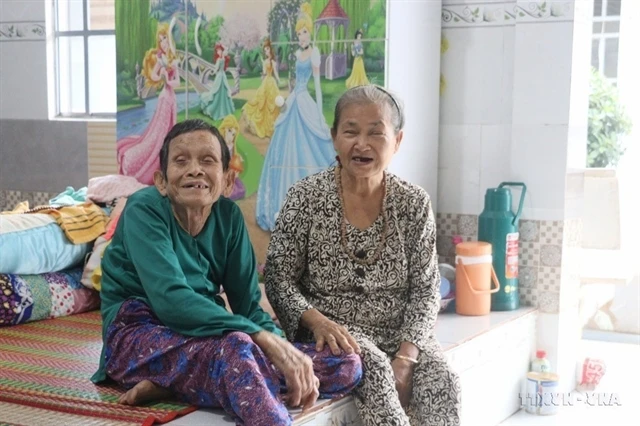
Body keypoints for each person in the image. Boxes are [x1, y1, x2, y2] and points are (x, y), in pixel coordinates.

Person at [92, 119, 362, 426]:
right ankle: (211, 384)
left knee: (346, 364)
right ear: (162, 181)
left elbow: (248, 306)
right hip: (136, 332)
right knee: (238, 348)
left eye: (207, 161)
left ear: (227, 180)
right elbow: (171, 299)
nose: (194, 169)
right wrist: (260, 338)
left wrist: (282, 349)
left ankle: (176, 384)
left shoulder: (229, 217)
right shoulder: (145, 209)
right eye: (181, 161)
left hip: (204, 335)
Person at [265, 86, 461, 426]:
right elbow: (279, 279)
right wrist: (317, 321)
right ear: (334, 137)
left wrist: (407, 355)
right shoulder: (305, 198)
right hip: (336, 334)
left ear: (397, 141)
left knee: (444, 381)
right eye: (351, 131)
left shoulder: (413, 203)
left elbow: (427, 289)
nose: (362, 144)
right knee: (376, 376)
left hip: (401, 331)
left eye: (376, 133)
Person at [255, 2, 336, 232]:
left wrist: (319, 116)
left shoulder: (315, 53)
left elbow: (317, 86)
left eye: (304, 32)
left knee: (309, 146)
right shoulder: (297, 53)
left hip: (305, 101)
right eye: (299, 32)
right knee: (284, 146)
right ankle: (283, 206)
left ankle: (313, 210)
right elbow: (294, 83)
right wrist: (286, 100)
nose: (301, 36)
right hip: (294, 99)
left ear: (310, 32)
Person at [117, 22, 180, 185]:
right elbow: (153, 75)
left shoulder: (174, 59)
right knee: (160, 133)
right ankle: (153, 163)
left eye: (165, 39)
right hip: (164, 97)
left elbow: (177, 82)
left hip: (172, 97)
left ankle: (168, 163)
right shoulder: (161, 59)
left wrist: (169, 79)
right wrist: (163, 77)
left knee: (170, 131)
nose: (163, 43)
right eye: (161, 40)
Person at [242, 38, 282, 139]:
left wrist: (279, 80)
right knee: (261, 101)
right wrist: (263, 76)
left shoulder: (273, 62)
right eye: (265, 50)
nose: (266, 51)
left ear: (270, 49)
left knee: (273, 103)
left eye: (267, 49)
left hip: (271, 82)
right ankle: (262, 124)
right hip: (266, 81)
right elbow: (264, 73)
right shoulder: (265, 61)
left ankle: (273, 125)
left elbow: (275, 73)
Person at [200, 43, 235, 121]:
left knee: (218, 92)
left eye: (219, 50)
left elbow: (216, 69)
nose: (218, 52)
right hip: (223, 76)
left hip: (219, 76)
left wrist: (212, 72)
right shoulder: (224, 59)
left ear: (221, 51)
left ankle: (216, 110)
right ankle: (224, 111)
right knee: (220, 92)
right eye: (217, 51)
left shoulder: (219, 59)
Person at [218, 114, 245, 200]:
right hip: (221, 169)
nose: (231, 136)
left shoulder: (231, 145)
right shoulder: (220, 144)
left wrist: (237, 159)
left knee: (238, 187)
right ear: (224, 130)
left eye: (233, 134)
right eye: (229, 131)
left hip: (229, 169)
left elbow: (233, 156)